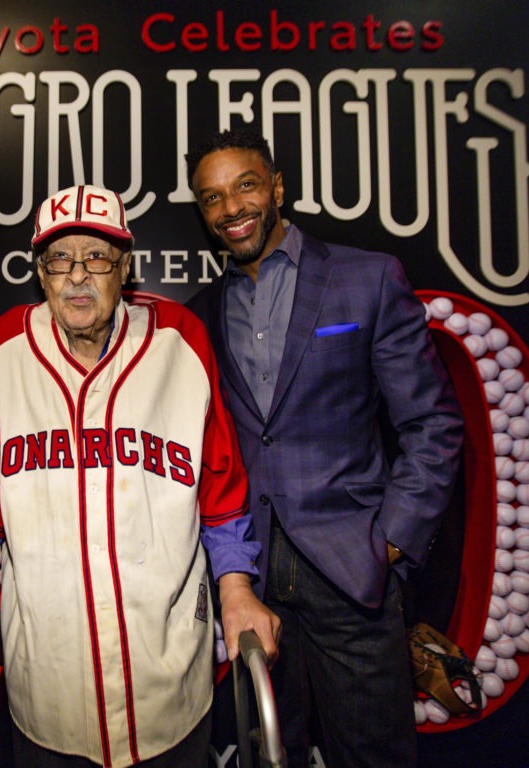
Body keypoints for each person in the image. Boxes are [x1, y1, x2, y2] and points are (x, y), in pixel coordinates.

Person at [0, 183, 280, 768]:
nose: (79, 276)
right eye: (61, 259)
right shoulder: (7, 350)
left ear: (125, 268)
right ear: (41, 272)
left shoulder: (179, 342)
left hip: (166, 674)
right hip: (48, 677)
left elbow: (219, 481)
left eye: (98, 257)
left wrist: (236, 584)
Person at [184, 129, 464, 767]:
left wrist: (390, 539)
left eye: (246, 185)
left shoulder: (366, 278)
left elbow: (432, 422)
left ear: (277, 187)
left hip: (351, 568)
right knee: (265, 753)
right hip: (248, 578)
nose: (231, 209)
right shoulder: (200, 313)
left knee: (370, 755)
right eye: (212, 198)